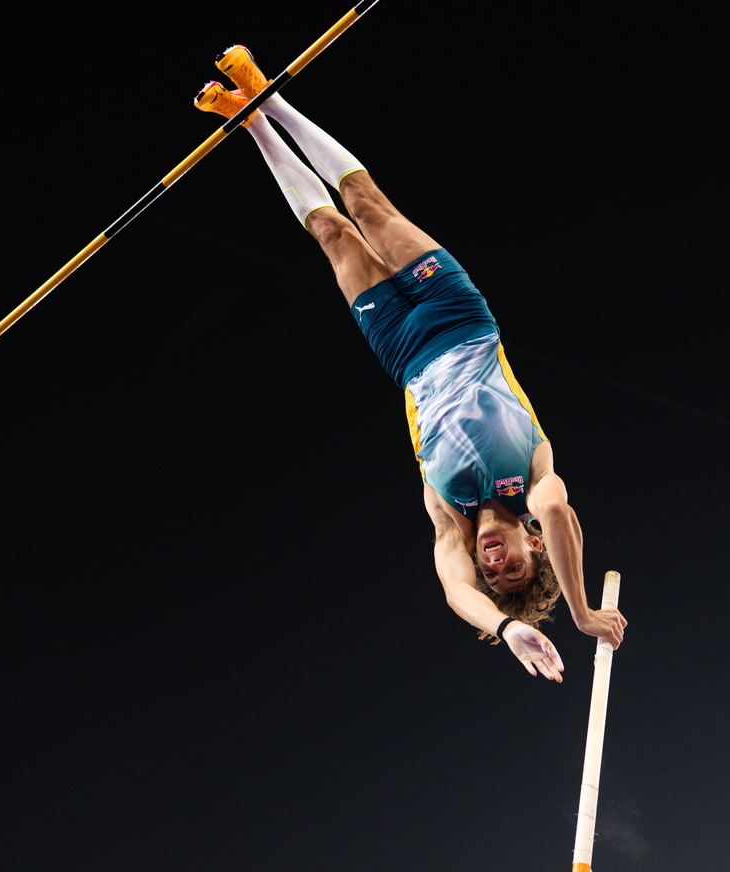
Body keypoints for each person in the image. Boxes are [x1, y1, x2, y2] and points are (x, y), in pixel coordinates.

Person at [195, 46, 626, 681]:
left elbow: (455, 593)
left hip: (402, 347)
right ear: (534, 546)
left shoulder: (445, 514)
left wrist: (507, 628)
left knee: (334, 234)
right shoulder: (538, 481)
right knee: (368, 204)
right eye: (515, 565)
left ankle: (250, 119)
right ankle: (270, 96)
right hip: (460, 317)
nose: (495, 562)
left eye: (493, 573)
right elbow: (563, 515)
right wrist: (583, 614)